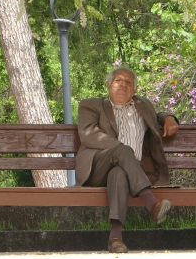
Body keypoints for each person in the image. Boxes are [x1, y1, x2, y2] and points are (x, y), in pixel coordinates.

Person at [76, 66, 179, 254]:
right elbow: (88, 135)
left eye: (128, 82)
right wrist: (121, 149)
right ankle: (152, 203)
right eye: (118, 81)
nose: (123, 84)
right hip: (97, 168)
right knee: (122, 150)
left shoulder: (142, 105)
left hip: (129, 172)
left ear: (135, 89)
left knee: (119, 174)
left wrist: (169, 118)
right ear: (108, 85)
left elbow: (156, 116)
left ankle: (115, 239)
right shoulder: (91, 105)